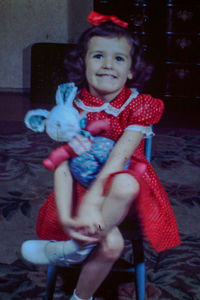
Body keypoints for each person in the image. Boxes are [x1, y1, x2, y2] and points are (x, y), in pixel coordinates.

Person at [21, 11, 181, 300]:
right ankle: (80, 297)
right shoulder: (70, 102)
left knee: (126, 182)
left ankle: (74, 250)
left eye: (119, 58)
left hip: (122, 193)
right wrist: (70, 216)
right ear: (83, 63)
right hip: (78, 191)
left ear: (132, 69)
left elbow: (120, 157)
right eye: (98, 56)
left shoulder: (139, 104)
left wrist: (95, 201)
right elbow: (63, 164)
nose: (108, 65)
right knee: (111, 246)